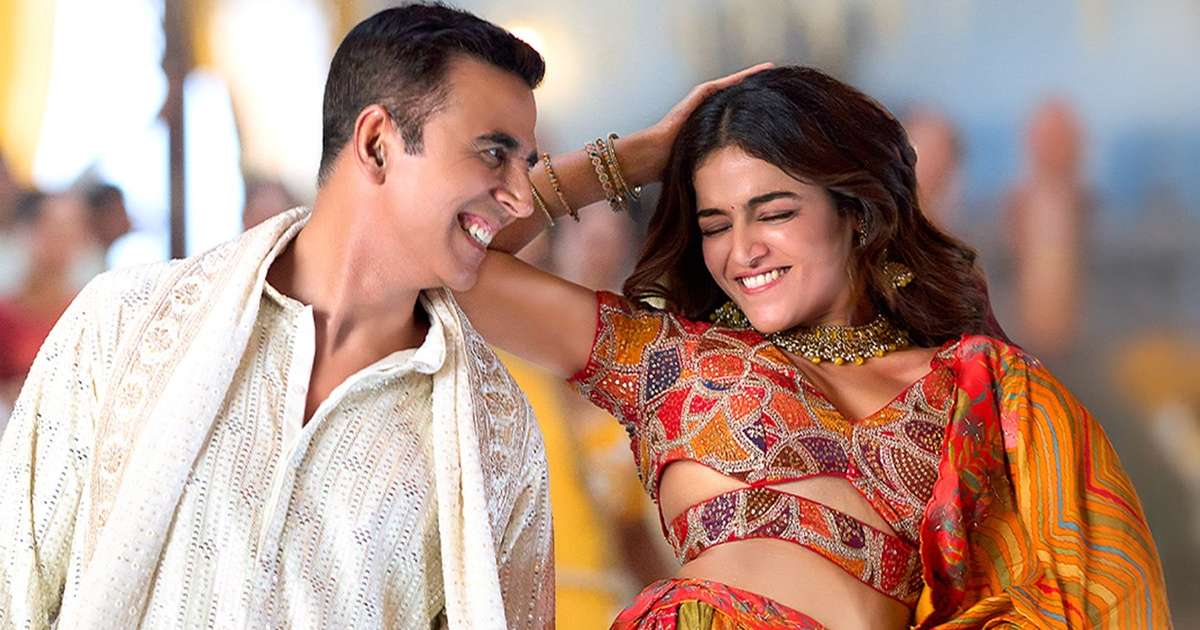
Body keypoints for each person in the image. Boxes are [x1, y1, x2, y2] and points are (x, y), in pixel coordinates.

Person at [457, 66, 1171, 628]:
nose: (742, 250)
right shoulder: (666, 359)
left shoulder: (982, 393)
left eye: (773, 212)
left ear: (855, 213)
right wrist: (636, 157)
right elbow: (456, 257)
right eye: (715, 224)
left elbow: (1086, 595)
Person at [0, 5, 554, 628]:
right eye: (494, 154)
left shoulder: (495, 438)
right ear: (377, 143)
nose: (520, 199)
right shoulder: (123, 323)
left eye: (527, 166)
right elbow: (13, 589)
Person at [0, 192, 91, 420]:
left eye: (72, 229)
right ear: (28, 232)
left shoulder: (89, 310)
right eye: (54, 228)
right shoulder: (6, 313)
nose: (64, 240)